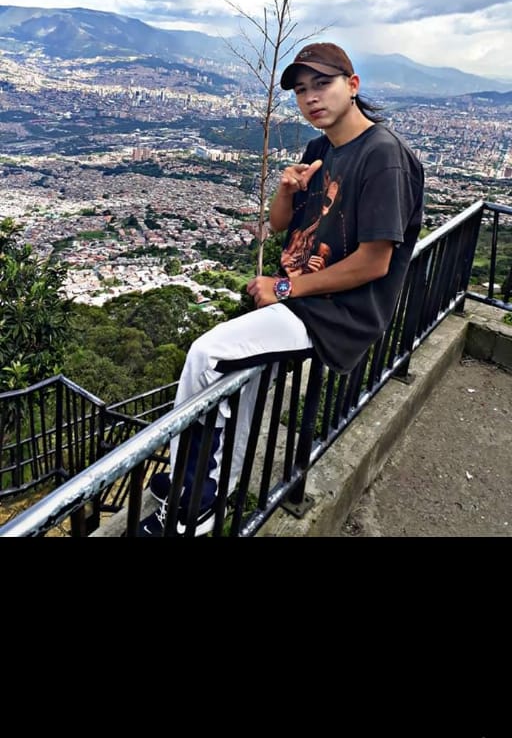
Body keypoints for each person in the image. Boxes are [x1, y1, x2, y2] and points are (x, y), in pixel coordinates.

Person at [139, 42, 424, 536]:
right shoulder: (322, 149)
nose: (311, 97)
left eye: (323, 84)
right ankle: (209, 480)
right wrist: (286, 189)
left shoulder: (383, 156)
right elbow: (278, 225)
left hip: (338, 312)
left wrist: (286, 288)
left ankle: (195, 504)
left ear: (353, 85)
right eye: (301, 89)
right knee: (237, 374)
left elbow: (374, 263)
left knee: (207, 356)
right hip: (306, 297)